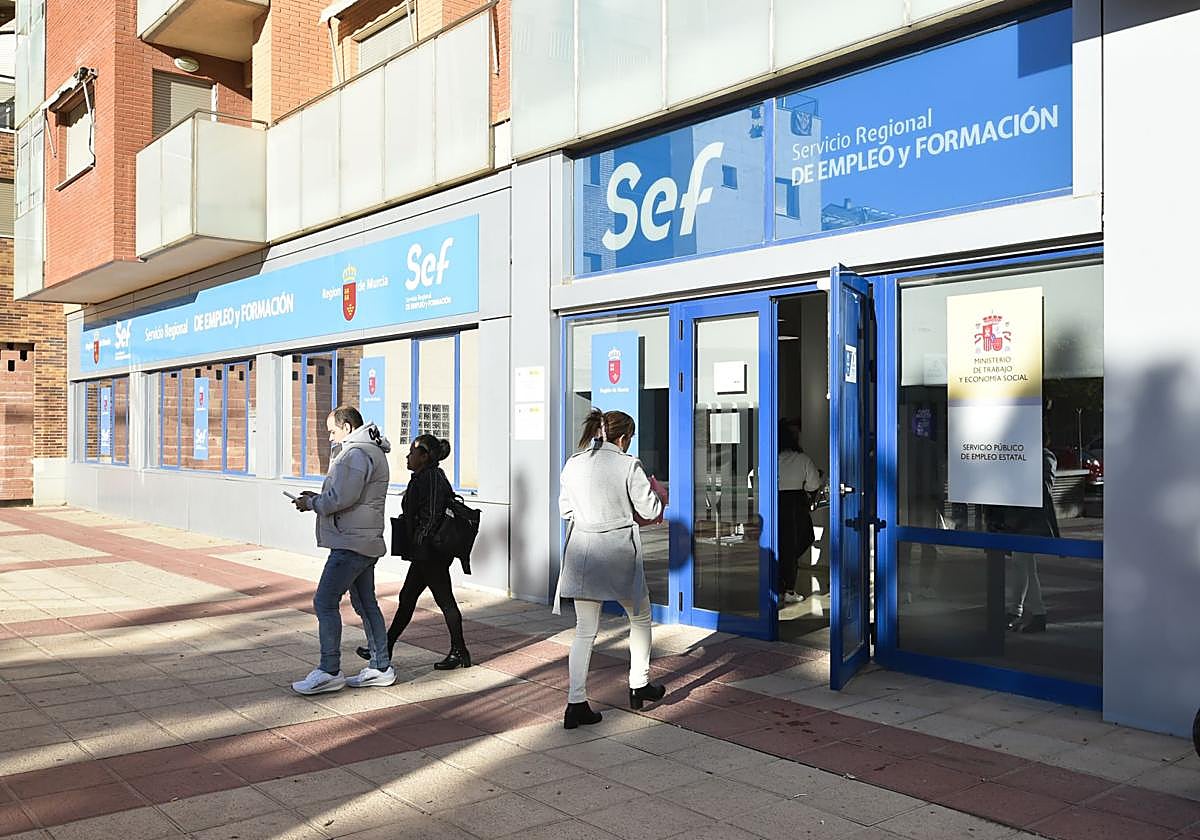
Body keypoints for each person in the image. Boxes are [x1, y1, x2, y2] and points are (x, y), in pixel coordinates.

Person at [557, 408, 667, 730]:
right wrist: (658, 494)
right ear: (623, 437)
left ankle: (575, 703)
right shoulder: (627, 464)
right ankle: (639, 684)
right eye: (628, 439)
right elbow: (649, 508)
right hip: (617, 552)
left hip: (582, 553)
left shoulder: (573, 464)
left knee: (584, 631)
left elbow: (565, 510)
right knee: (640, 617)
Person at [290, 406, 394, 695]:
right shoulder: (368, 450)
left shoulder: (355, 454)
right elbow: (344, 496)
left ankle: (329, 670)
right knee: (365, 603)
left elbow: (342, 498)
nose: (330, 437)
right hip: (364, 539)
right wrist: (319, 499)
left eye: (333, 431)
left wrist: (312, 503)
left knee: (324, 601)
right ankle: (381, 666)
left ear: (347, 427)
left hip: (351, 542)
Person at [357, 433, 471, 670]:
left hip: (431, 553)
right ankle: (385, 647)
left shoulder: (429, 478)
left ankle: (459, 651)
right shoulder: (428, 476)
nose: (408, 456)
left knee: (443, 600)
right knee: (408, 598)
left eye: (412, 452)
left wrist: (419, 543)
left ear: (424, 456)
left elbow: (430, 516)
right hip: (427, 552)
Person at [1005, 438, 1059, 633]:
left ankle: (1034, 613)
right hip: (1022, 519)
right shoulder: (1028, 455)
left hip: (1032, 521)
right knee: (1024, 564)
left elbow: (1043, 489)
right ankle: (1022, 611)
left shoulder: (1045, 457)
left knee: (1022, 563)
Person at [777, 419, 822, 606]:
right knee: (800, 540)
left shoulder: (772, 457)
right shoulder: (802, 459)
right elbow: (814, 484)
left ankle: (779, 585)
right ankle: (788, 589)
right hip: (795, 504)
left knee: (779, 545)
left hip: (775, 502)